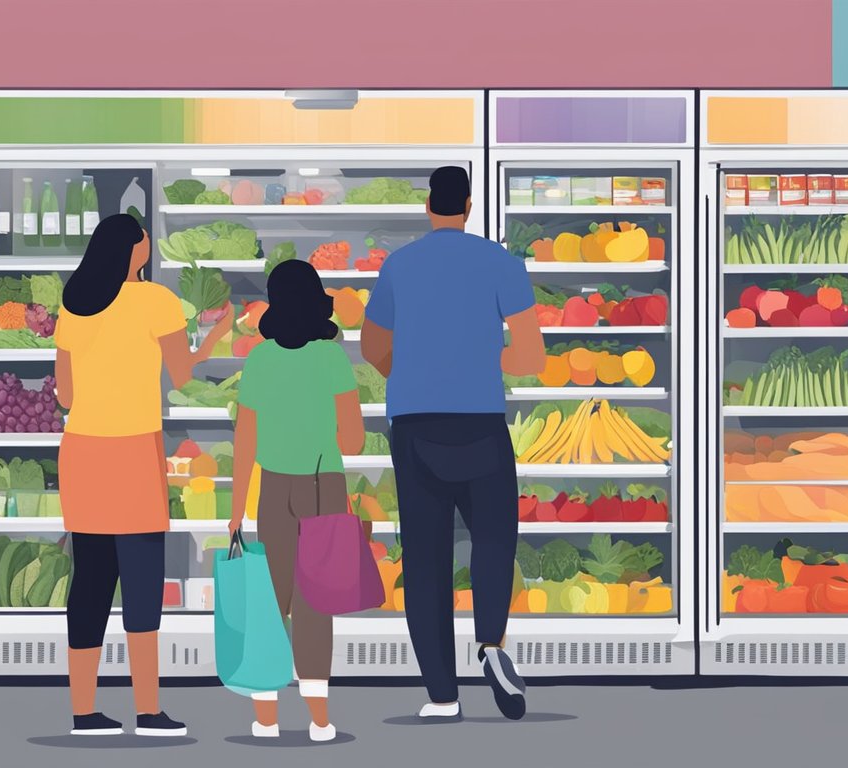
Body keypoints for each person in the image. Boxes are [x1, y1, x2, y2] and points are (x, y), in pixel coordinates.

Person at [361, 166, 546, 721]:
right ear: (468, 205)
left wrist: (411, 373)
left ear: (428, 207)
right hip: (480, 421)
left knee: (425, 558)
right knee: (492, 540)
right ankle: (491, 645)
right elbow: (531, 357)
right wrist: (484, 363)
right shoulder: (500, 263)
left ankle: (441, 695)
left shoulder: (400, 265)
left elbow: (372, 346)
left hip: (415, 425)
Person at [55, 213, 231, 737]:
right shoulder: (155, 300)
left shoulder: (72, 301)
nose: (149, 246)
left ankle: (84, 712)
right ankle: (148, 710)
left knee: (89, 583)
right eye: (145, 241)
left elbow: (64, 394)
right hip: (133, 453)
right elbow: (183, 373)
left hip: (82, 452)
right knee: (141, 584)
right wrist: (220, 331)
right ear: (134, 250)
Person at [227, 259, 366, 742]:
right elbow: (353, 441)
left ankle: (266, 718)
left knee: (270, 601)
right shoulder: (331, 358)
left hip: (273, 488)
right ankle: (320, 720)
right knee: (315, 603)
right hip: (323, 485)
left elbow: (245, 438)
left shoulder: (261, 359)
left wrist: (235, 509)